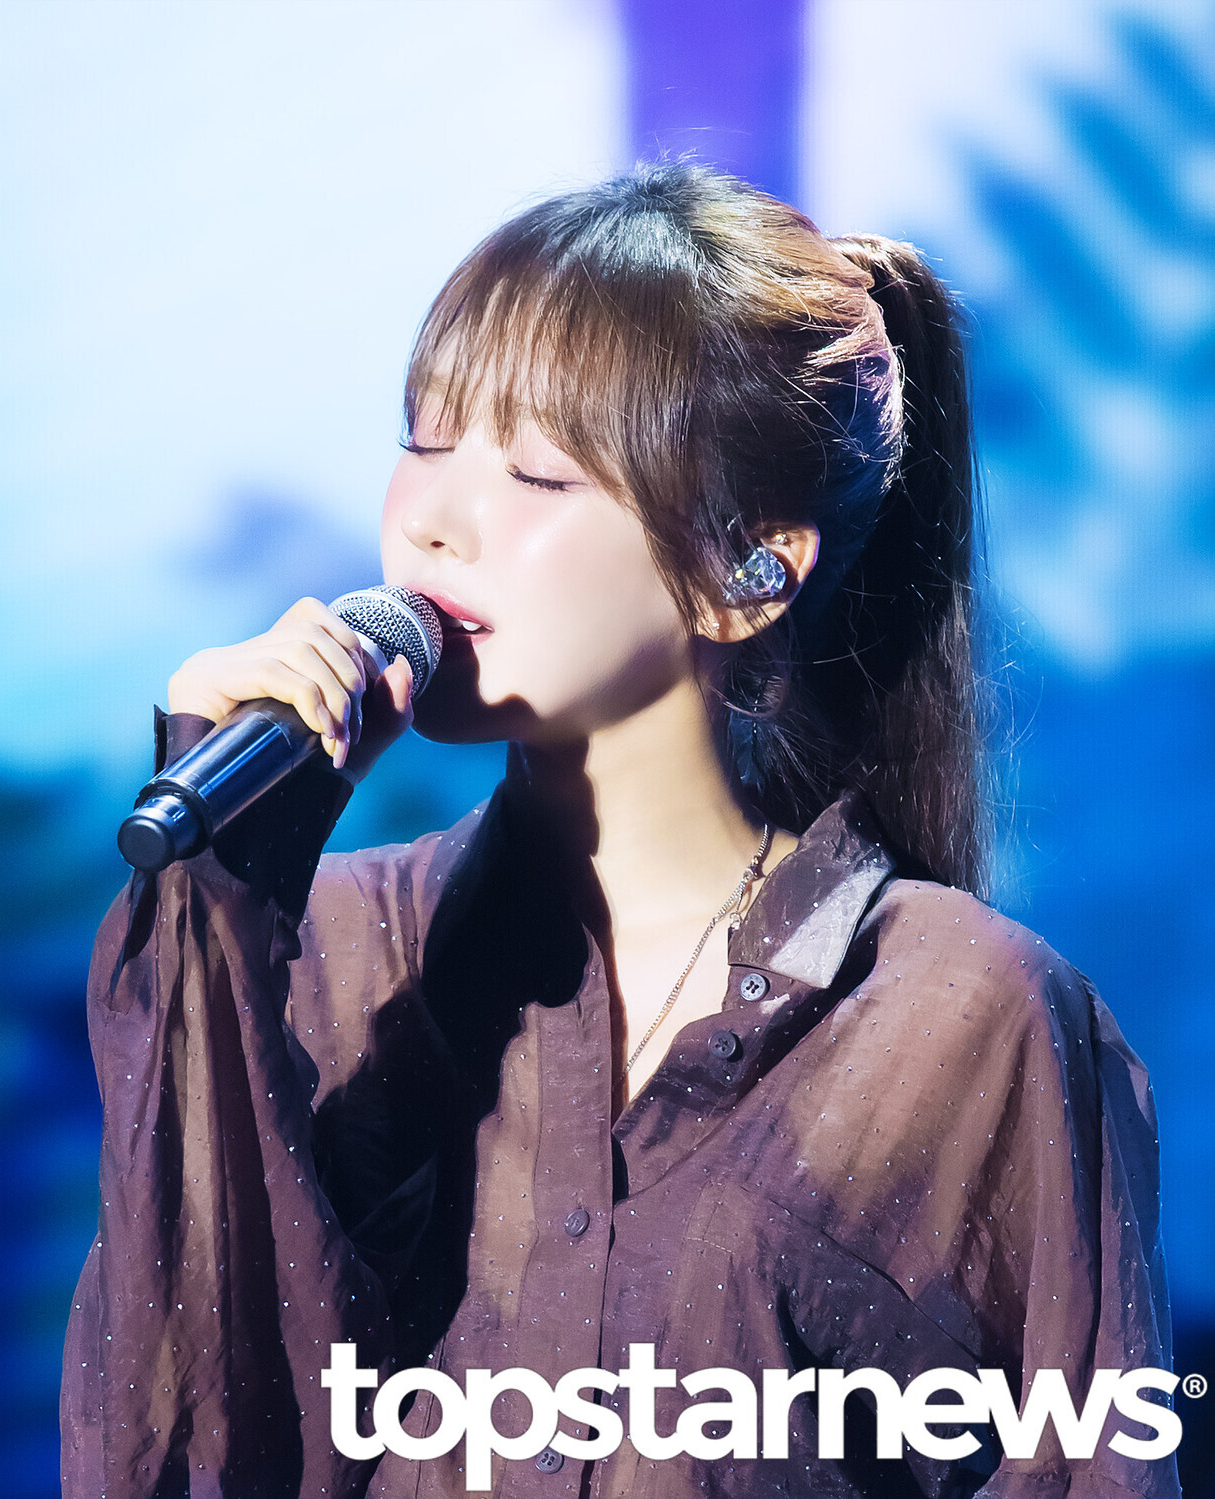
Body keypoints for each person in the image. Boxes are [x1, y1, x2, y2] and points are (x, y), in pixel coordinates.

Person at [60, 162, 1179, 1498]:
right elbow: (173, 1438)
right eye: (426, 442)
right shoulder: (327, 956)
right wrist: (221, 891)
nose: (435, 522)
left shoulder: (963, 1019)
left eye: (537, 472)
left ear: (745, 572)